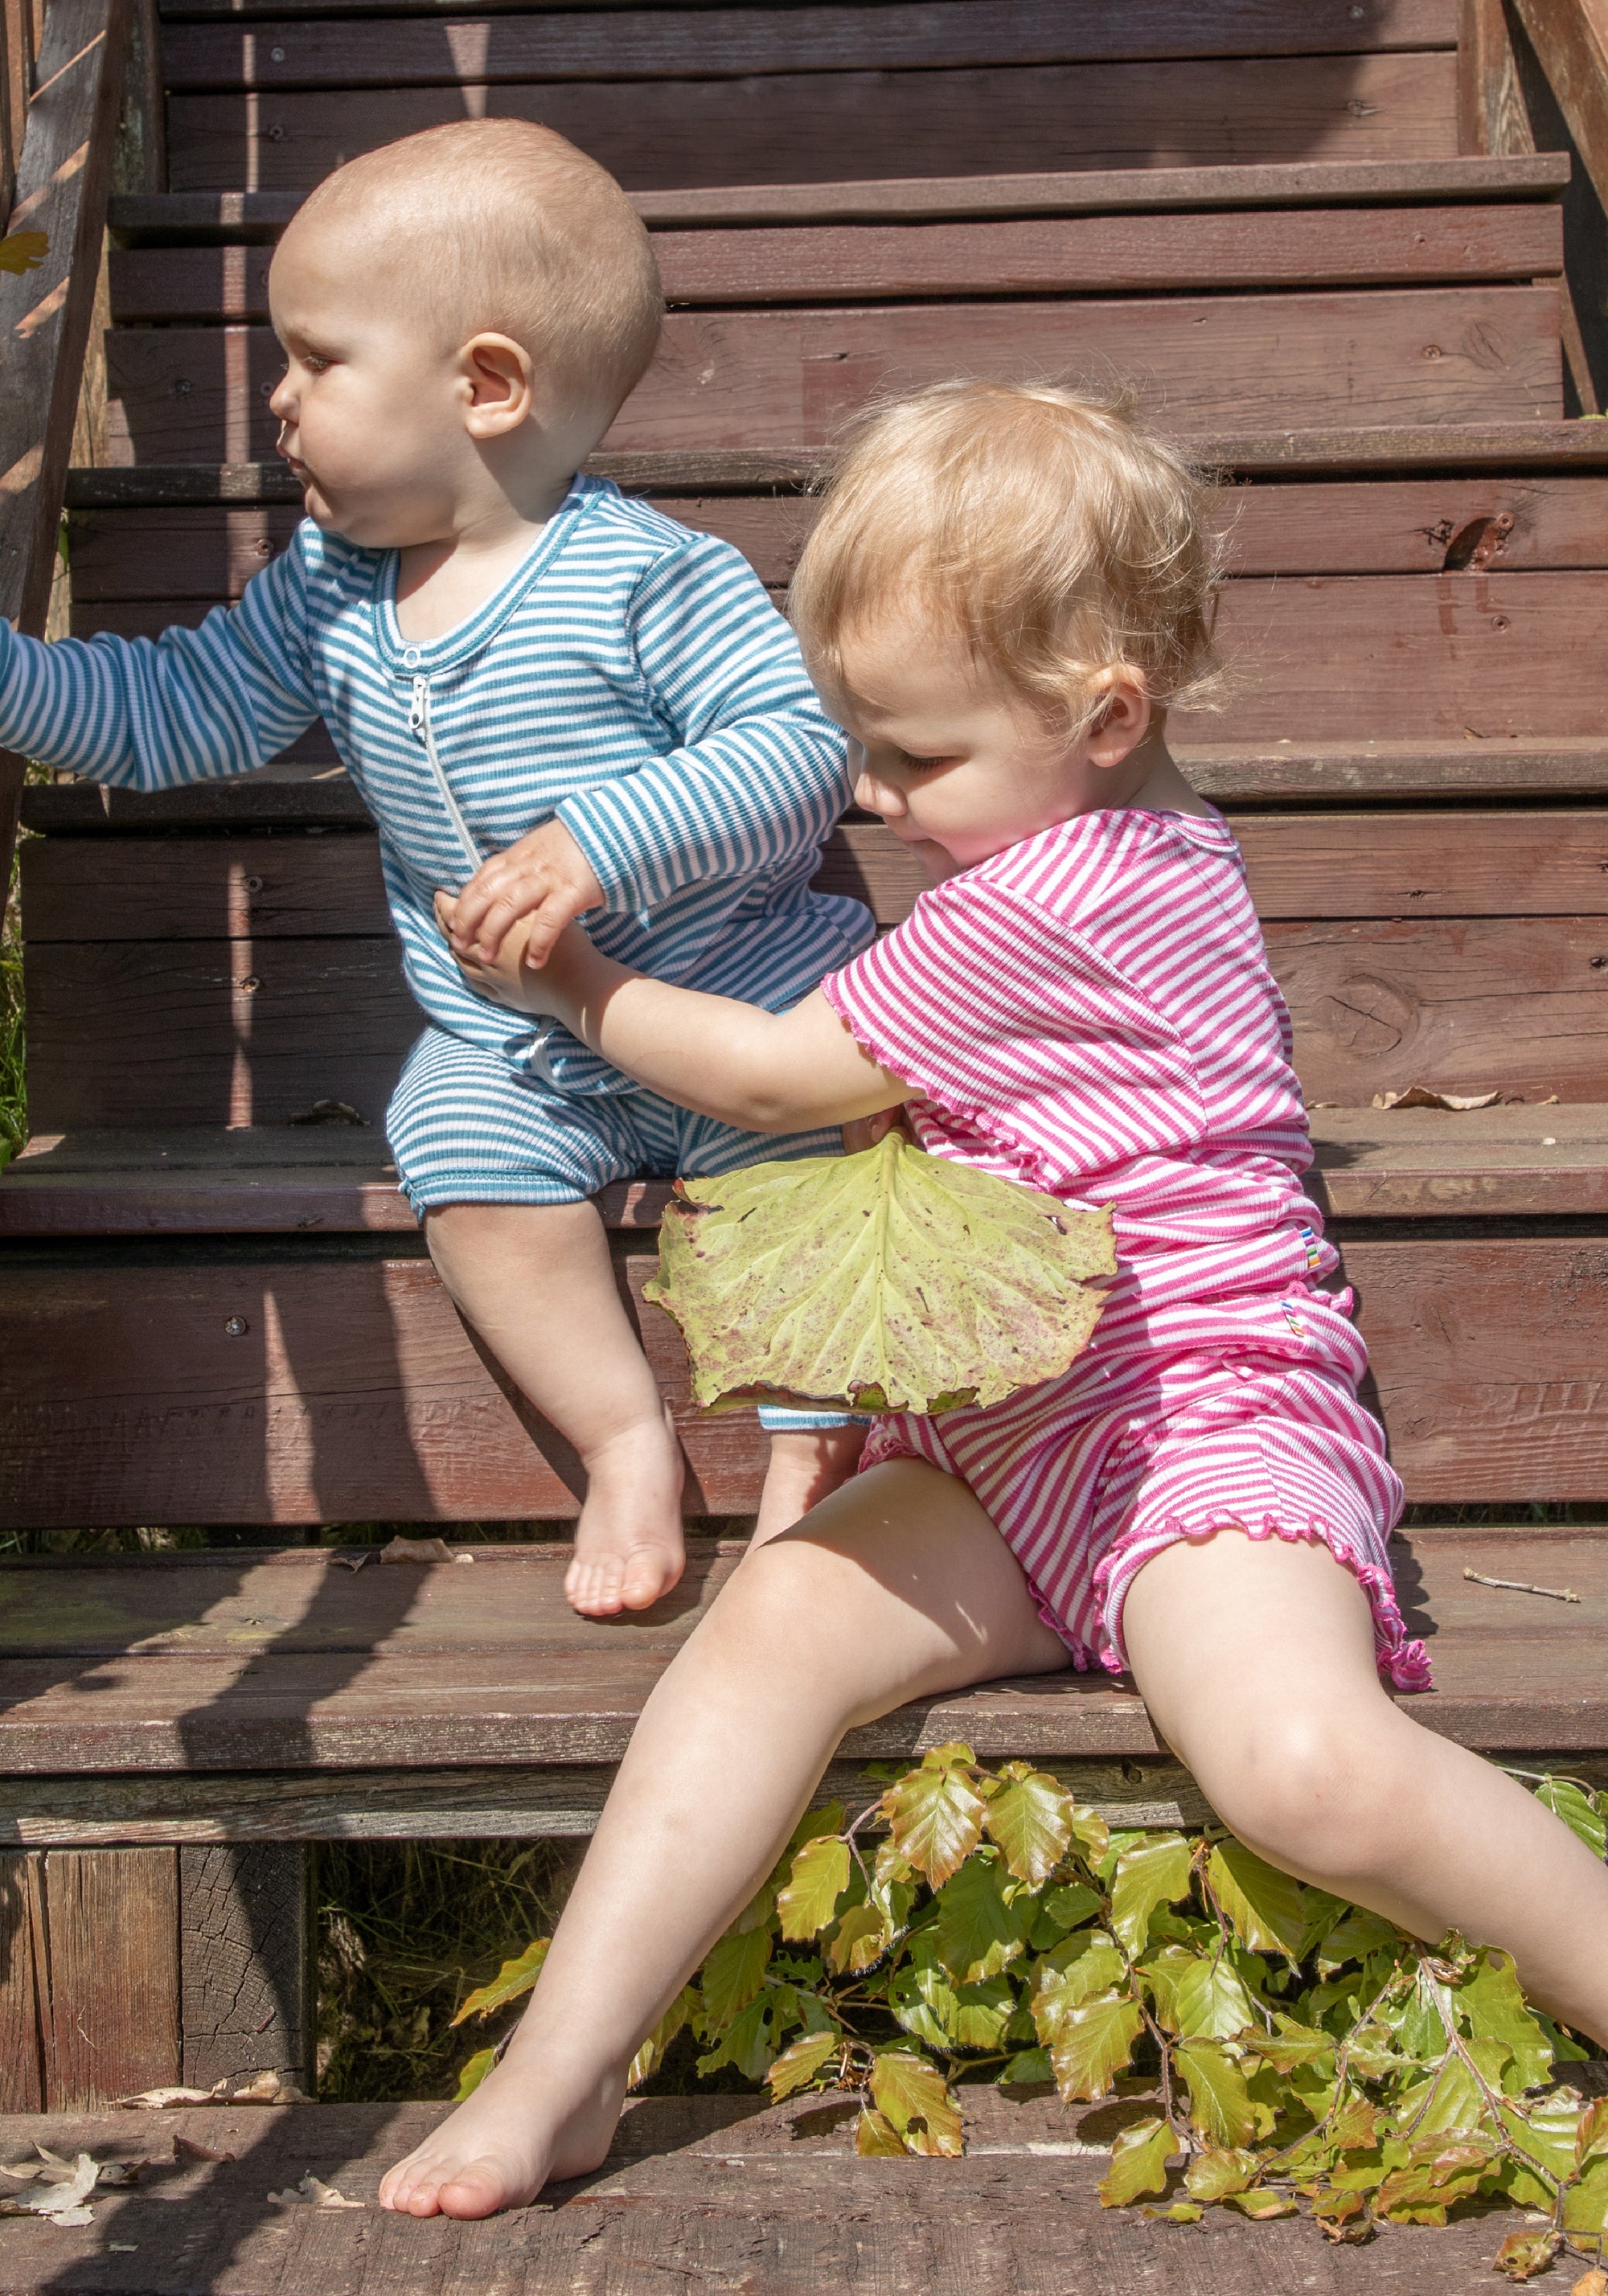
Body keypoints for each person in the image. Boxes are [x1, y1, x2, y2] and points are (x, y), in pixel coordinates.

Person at [380, 379, 1608, 2220]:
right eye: (854, 741)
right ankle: (563, 2069)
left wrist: (574, 985)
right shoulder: (1083, 836)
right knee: (768, 1637)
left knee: (1302, 1769)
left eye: (914, 757)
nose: (869, 794)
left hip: (1192, 1412)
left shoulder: (1065, 902)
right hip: (1006, 1426)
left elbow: (781, 1079)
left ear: (1104, 716)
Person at [0, 118, 875, 1617]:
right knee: (457, 1155)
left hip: (730, 1013)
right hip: (512, 1046)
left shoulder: (650, 574)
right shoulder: (325, 595)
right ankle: (622, 1442)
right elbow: (158, 718)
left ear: (486, 385)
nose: (276, 404)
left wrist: (606, 839)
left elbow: (800, 746)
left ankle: (810, 1471)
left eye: (316, 362)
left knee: (810, 1173)